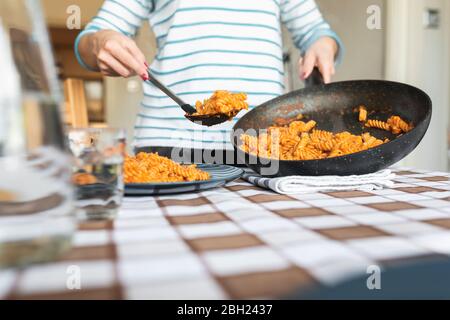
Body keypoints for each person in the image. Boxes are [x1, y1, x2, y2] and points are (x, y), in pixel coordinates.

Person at [75, 0, 343, 163]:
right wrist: (100, 42)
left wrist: (322, 44)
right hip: (169, 144)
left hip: (265, 145)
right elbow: (95, 36)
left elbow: (314, 31)